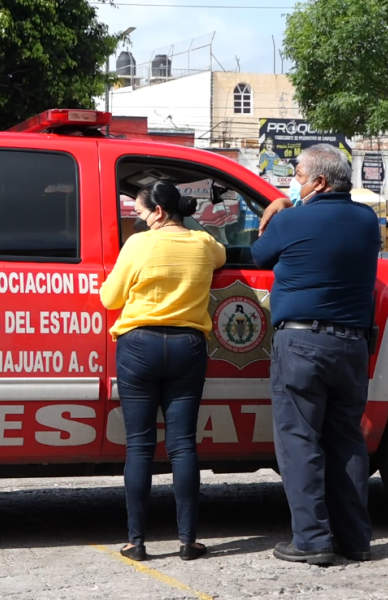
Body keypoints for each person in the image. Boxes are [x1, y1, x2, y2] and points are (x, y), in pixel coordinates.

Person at [251, 144, 380, 565]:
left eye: (299, 174)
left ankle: (311, 539)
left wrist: (274, 210)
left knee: (300, 440)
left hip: (303, 343)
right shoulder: (366, 220)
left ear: (320, 181)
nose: (295, 180)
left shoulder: (291, 219)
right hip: (352, 346)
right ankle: (355, 539)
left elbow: (258, 255)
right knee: (347, 442)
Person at [100, 180, 226, 562]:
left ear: (158, 211)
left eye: (139, 213)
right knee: (183, 445)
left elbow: (110, 298)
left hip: (139, 347)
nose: (138, 221)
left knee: (139, 445)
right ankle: (189, 541)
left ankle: (136, 542)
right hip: (188, 346)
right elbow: (220, 255)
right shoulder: (203, 244)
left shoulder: (138, 244)